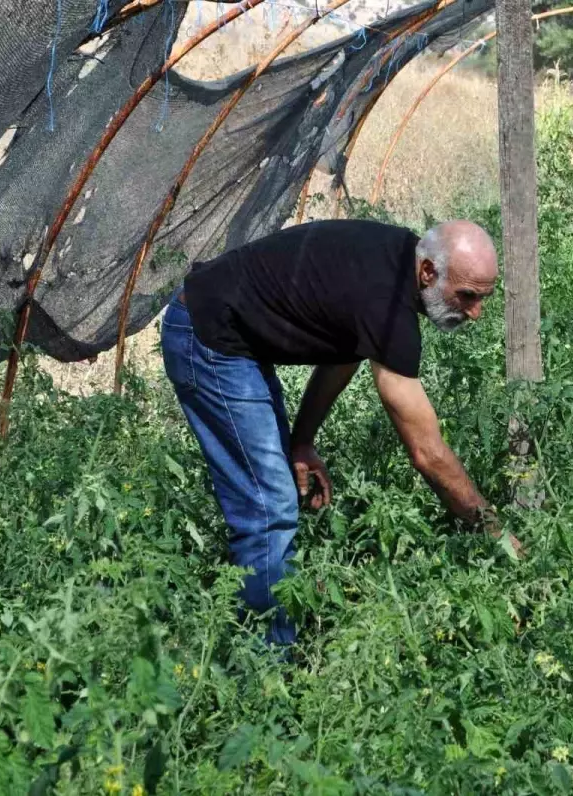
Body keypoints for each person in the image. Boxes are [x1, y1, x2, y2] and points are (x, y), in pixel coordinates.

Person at [159, 217, 519, 646]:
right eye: (467, 296)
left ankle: (270, 641)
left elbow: (344, 350)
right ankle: (265, 673)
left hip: (235, 335)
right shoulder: (385, 301)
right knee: (268, 506)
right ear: (428, 272)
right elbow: (427, 452)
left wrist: (302, 440)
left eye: (483, 298)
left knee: (273, 496)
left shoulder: (394, 264)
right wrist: (494, 532)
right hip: (209, 337)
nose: (475, 313)